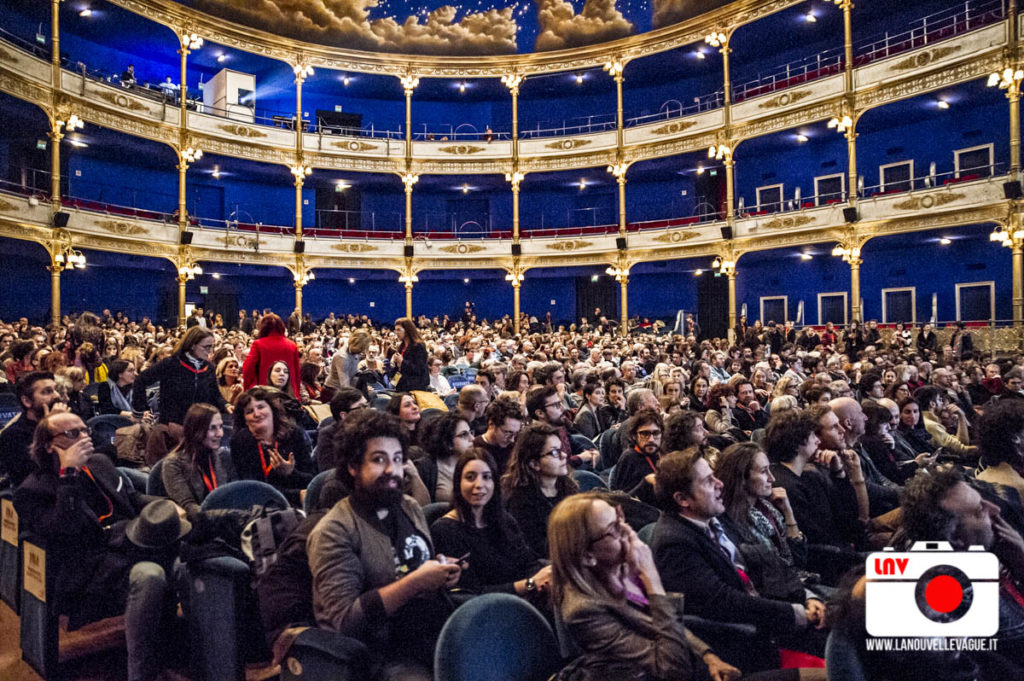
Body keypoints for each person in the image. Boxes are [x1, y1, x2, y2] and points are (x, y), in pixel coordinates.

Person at [14, 411, 183, 681]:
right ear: (49, 445)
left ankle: (178, 649)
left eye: (85, 430)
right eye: (72, 433)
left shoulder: (101, 463)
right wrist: (68, 473)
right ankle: (142, 673)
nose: (84, 437)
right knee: (149, 574)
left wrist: (165, 506)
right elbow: (64, 531)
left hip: (128, 546)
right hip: (87, 571)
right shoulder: (32, 489)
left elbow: (132, 498)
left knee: (184, 562)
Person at [307, 410, 462, 680]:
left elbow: (411, 562)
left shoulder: (408, 507)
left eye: (398, 459)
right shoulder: (334, 530)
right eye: (379, 459)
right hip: (382, 655)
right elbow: (345, 622)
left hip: (430, 631)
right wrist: (416, 581)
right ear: (353, 466)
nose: (392, 469)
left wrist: (439, 572)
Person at [549, 492, 744, 681]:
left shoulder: (623, 569)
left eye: (621, 519)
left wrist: (708, 656)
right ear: (587, 556)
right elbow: (672, 669)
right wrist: (653, 581)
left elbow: (665, 622)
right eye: (614, 528)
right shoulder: (584, 610)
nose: (627, 530)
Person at [430, 449, 551, 597]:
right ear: (458, 484)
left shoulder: (504, 520)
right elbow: (469, 593)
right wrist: (529, 584)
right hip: (486, 613)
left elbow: (528, 564)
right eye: (470, 477)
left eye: (487, 477)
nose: (479, 484)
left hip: (523, 599)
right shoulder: (445, 531)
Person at [502, 422, 579, 557]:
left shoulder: (568, 488)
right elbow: (536, 549)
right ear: (534, 463)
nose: (564, 456)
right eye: (554, 452)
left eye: (561, 449)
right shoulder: (519, 500)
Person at [230, 387, 314, 505]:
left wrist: (291, 473)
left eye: (261, 407)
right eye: (249, 412)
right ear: (244, 419)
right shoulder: (240, 441)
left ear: (272, 410)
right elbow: (252, 488)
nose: (257, 414)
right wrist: (294, 496)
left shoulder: (294, 434)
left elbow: (311, 479)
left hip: (299, 502)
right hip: (260, 505)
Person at [131, 326, 227, 427]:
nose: (210, 351)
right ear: (192, 345)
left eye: (212, 346)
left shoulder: (208, 368)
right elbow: (140, 380)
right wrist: (140, 410)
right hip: (172, 426)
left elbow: (215, 394)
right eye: (206, 347)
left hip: (199, 426)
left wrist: (226, 405)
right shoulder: (171, 364)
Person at [161, 402, 238, 522]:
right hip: (199, 526)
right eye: (212, 428)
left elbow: (236, 493)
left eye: (221, 426)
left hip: (228, 520)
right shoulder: (173, 464)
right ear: (196, 430)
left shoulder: (224, 456)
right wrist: (227, 517)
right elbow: (189, 508)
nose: (220, 434)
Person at [0, 371, 64, 488]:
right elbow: (36, 478)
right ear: (27, 401)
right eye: (47, 392)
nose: (56, 396)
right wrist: (49, 429)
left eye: (55, 390)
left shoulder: (70, 422)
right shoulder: (13, 435)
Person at [416, 412, 474, 503]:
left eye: (471, 432)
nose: (472, 439)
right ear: (447, 442)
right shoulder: (426, 467)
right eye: (464, 435)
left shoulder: (475, 462)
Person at [242, 313, 302, 400]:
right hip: (289, 394)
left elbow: (248, 369)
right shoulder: (292, 345)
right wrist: (297, 393)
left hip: (264, 394)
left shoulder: (258, 344)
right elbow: (297, 373)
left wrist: (247, 389)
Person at [473, 395, 524, 475]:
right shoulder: (474, 448)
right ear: (491, 424)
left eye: (516, 433)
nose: (512, 439)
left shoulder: (515, 447)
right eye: (507, 433)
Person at [324, 329, 370, 397]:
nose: (362, 351)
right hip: (333, 391)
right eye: (361, 348)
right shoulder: (342, 357)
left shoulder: (353, 349)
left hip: (347, 388)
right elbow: (345, 387)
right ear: (355, 344)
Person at [391, 317, 429, 392]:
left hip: (415, 387)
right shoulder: (401, 346)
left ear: (407, 330)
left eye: (399, 330)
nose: (396, 332)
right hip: (401, 385)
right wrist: (394, 382)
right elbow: (399, 369)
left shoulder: (418, 346)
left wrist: (402, 362)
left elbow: (419, 369)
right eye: (395, 330)